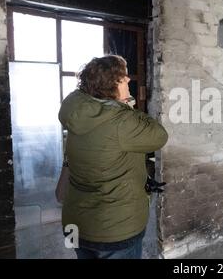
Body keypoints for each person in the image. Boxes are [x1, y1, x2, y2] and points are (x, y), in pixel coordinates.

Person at [58, 55, 168, 259]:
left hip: (75, 224)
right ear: (110, 84)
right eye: (123, 77)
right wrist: (128, 105)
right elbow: (159, 136)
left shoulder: (78, 111)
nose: (128, 80)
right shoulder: (121, 121)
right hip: (113, 230)